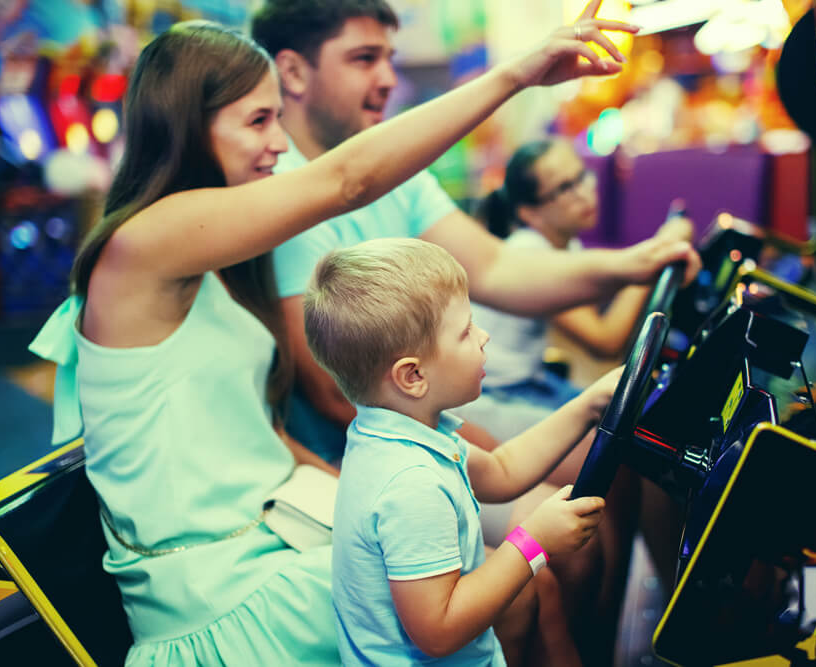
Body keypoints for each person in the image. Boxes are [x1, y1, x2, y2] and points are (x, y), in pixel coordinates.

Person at [27, 14, 642, 665]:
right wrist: (518, 74)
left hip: (277, 529)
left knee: (522, 581)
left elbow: (249, 430)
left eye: (275, 118)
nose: (276, 143)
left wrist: (354, 487)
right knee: (513, 585)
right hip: (222, 587)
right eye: (257, 122)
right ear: (189, 124)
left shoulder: (208, 265)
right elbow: (345, 181)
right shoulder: (141, 245)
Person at [249, 0, 701, 465]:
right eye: (364, 59)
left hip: (431, 408)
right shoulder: (275, 190)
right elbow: (335, 393)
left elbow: (498, 267)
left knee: (628, 443)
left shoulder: (398, 180)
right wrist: (494, 457)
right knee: (603, 456)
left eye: (388, 58)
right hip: (371, 450)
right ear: (294, 72)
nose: (387, 79)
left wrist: (639, 261)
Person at [304, 237, 624, 666]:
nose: (484, 335)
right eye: (466, 331)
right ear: (413, 375)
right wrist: (535, 542)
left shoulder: (402, 430)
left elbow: (503, 470)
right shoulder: (409, 484)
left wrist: (587, 406)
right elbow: (438, 630)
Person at [455, 139, 694, 441]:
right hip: (498, 392)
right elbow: (605, 340)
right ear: (530, 213)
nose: (585, 193)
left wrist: (654, 258)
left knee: (635, 418)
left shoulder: (566, 244)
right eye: (565, 188)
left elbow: (606, 297)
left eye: (583, 176)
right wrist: (657, 257)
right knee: (622, 439)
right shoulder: (532, 251)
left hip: (532, 379)